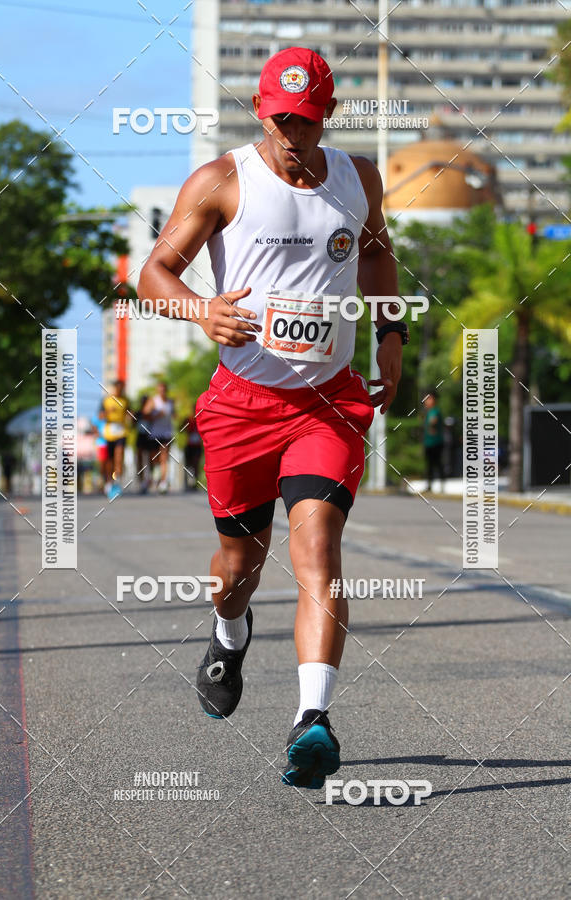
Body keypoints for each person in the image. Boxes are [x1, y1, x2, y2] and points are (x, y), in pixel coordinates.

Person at [138, 47, 405, 789]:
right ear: (261, 110)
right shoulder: (223, 180)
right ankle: (230, 631)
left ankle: (312, 721)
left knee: (316, 547)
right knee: (237, 570)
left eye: (308, 120)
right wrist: (199, 309)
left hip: (328, 403)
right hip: (241, 408)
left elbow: (378, 255)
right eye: (282, 118)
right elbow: (154, 271)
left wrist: (391, 335)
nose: (293, 133)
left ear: (327, 116)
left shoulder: (359, 178)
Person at [144, 382, 175, 493]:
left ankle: (163, 482)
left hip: (166, 434)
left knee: (164, 458)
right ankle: (155, 475)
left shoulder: (170, 402)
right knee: (154, 459)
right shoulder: (153, 401)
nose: (162, 391)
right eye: (160, 389)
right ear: (158, 390)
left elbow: (174, 414)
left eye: (164, 389)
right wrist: (156, 415)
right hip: (154, 434)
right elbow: (145, 415)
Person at [101, 379, 130, 499]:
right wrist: (108, 412)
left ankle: (117, 481)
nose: (120, 390)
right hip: (109, 433)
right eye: (118, 388)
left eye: (121, 388)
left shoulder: (126, 401)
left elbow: (130, 413)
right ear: (114, 388)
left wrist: (130, 416)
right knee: (109, 460)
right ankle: (108, 481)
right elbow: (100, 415)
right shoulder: (106, 401)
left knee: (119, 456)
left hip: (121, 432)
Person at [422, 391, 445, 493]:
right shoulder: (427, 412)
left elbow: (433, 422)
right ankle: (429, 485)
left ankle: (442, 484)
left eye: (429, 399)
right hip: (428, 442)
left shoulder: (435, 411)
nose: (427, 401)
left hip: (436, 442)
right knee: (429, 464)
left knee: (438, 463)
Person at [135, 394, 154, 494]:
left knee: (151, 459)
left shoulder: (152, 413)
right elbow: (132, 424)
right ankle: (141, 481)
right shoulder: (138, 413)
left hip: (150, 437)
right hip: (140, 437)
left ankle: (149, 479)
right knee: (140, 459)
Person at [182, 405, 203, 491]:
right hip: (189, 445)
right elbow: (181, 428)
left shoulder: (201, 419)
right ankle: (187, 482)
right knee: (188, 464)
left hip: (197, 445)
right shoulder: (188, 419)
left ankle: (195, 483)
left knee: (196, 464)